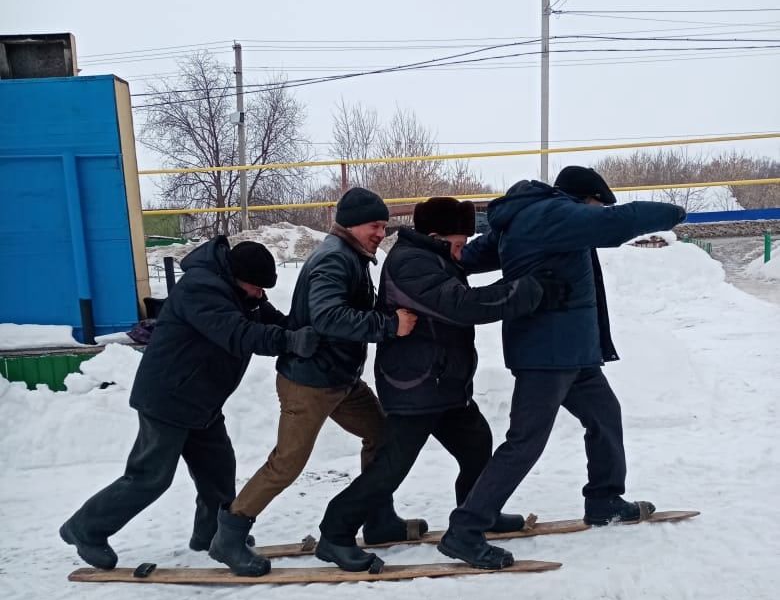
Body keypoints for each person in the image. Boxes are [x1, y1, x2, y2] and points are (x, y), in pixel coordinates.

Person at [439, 166, 688, 569]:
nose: (596, 213)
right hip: (547, 355)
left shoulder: (529, 220)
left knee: (605, 416)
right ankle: (465, 529)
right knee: (526, 442)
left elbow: (472, 257)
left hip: (573, 353)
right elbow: (617, 222)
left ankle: (604, 498)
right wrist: (675, 212)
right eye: (595, 206)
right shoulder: (552, 215)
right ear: (583, 200)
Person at [315, 196, 572, 571]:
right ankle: (334, 534)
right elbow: (461, 304)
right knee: (392, 467)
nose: (462, 251)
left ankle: (477, 514)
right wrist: (528, 291)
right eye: (458, 242)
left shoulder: (433, 257)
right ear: (435, 235)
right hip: (415, 384)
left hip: (443, 383)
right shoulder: (410, 263)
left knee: (477, 445)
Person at [60, 238, 318, 577]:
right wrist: (287, 342)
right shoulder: (201, 290)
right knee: (149, 477)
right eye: (256, 287)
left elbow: (271, 320)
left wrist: (303, 332)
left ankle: (210, 534)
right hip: (168, 398)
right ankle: (85, 529)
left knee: (219, 471)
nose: (260, 295)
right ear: (236, 276)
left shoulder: (243, 293)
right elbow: (237, 334)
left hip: (202, 400)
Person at [211, 187, 420, 559]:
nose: (380, 233)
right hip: (308, 382)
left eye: (384, 227)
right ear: (352, 224)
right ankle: (230, 534)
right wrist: (388, 325)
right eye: (375, 225)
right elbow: (327, 316)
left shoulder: (351, 256)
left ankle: (378, 518)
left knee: (383, 436)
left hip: (339, 379)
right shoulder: (334, 259)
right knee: (287, 463)